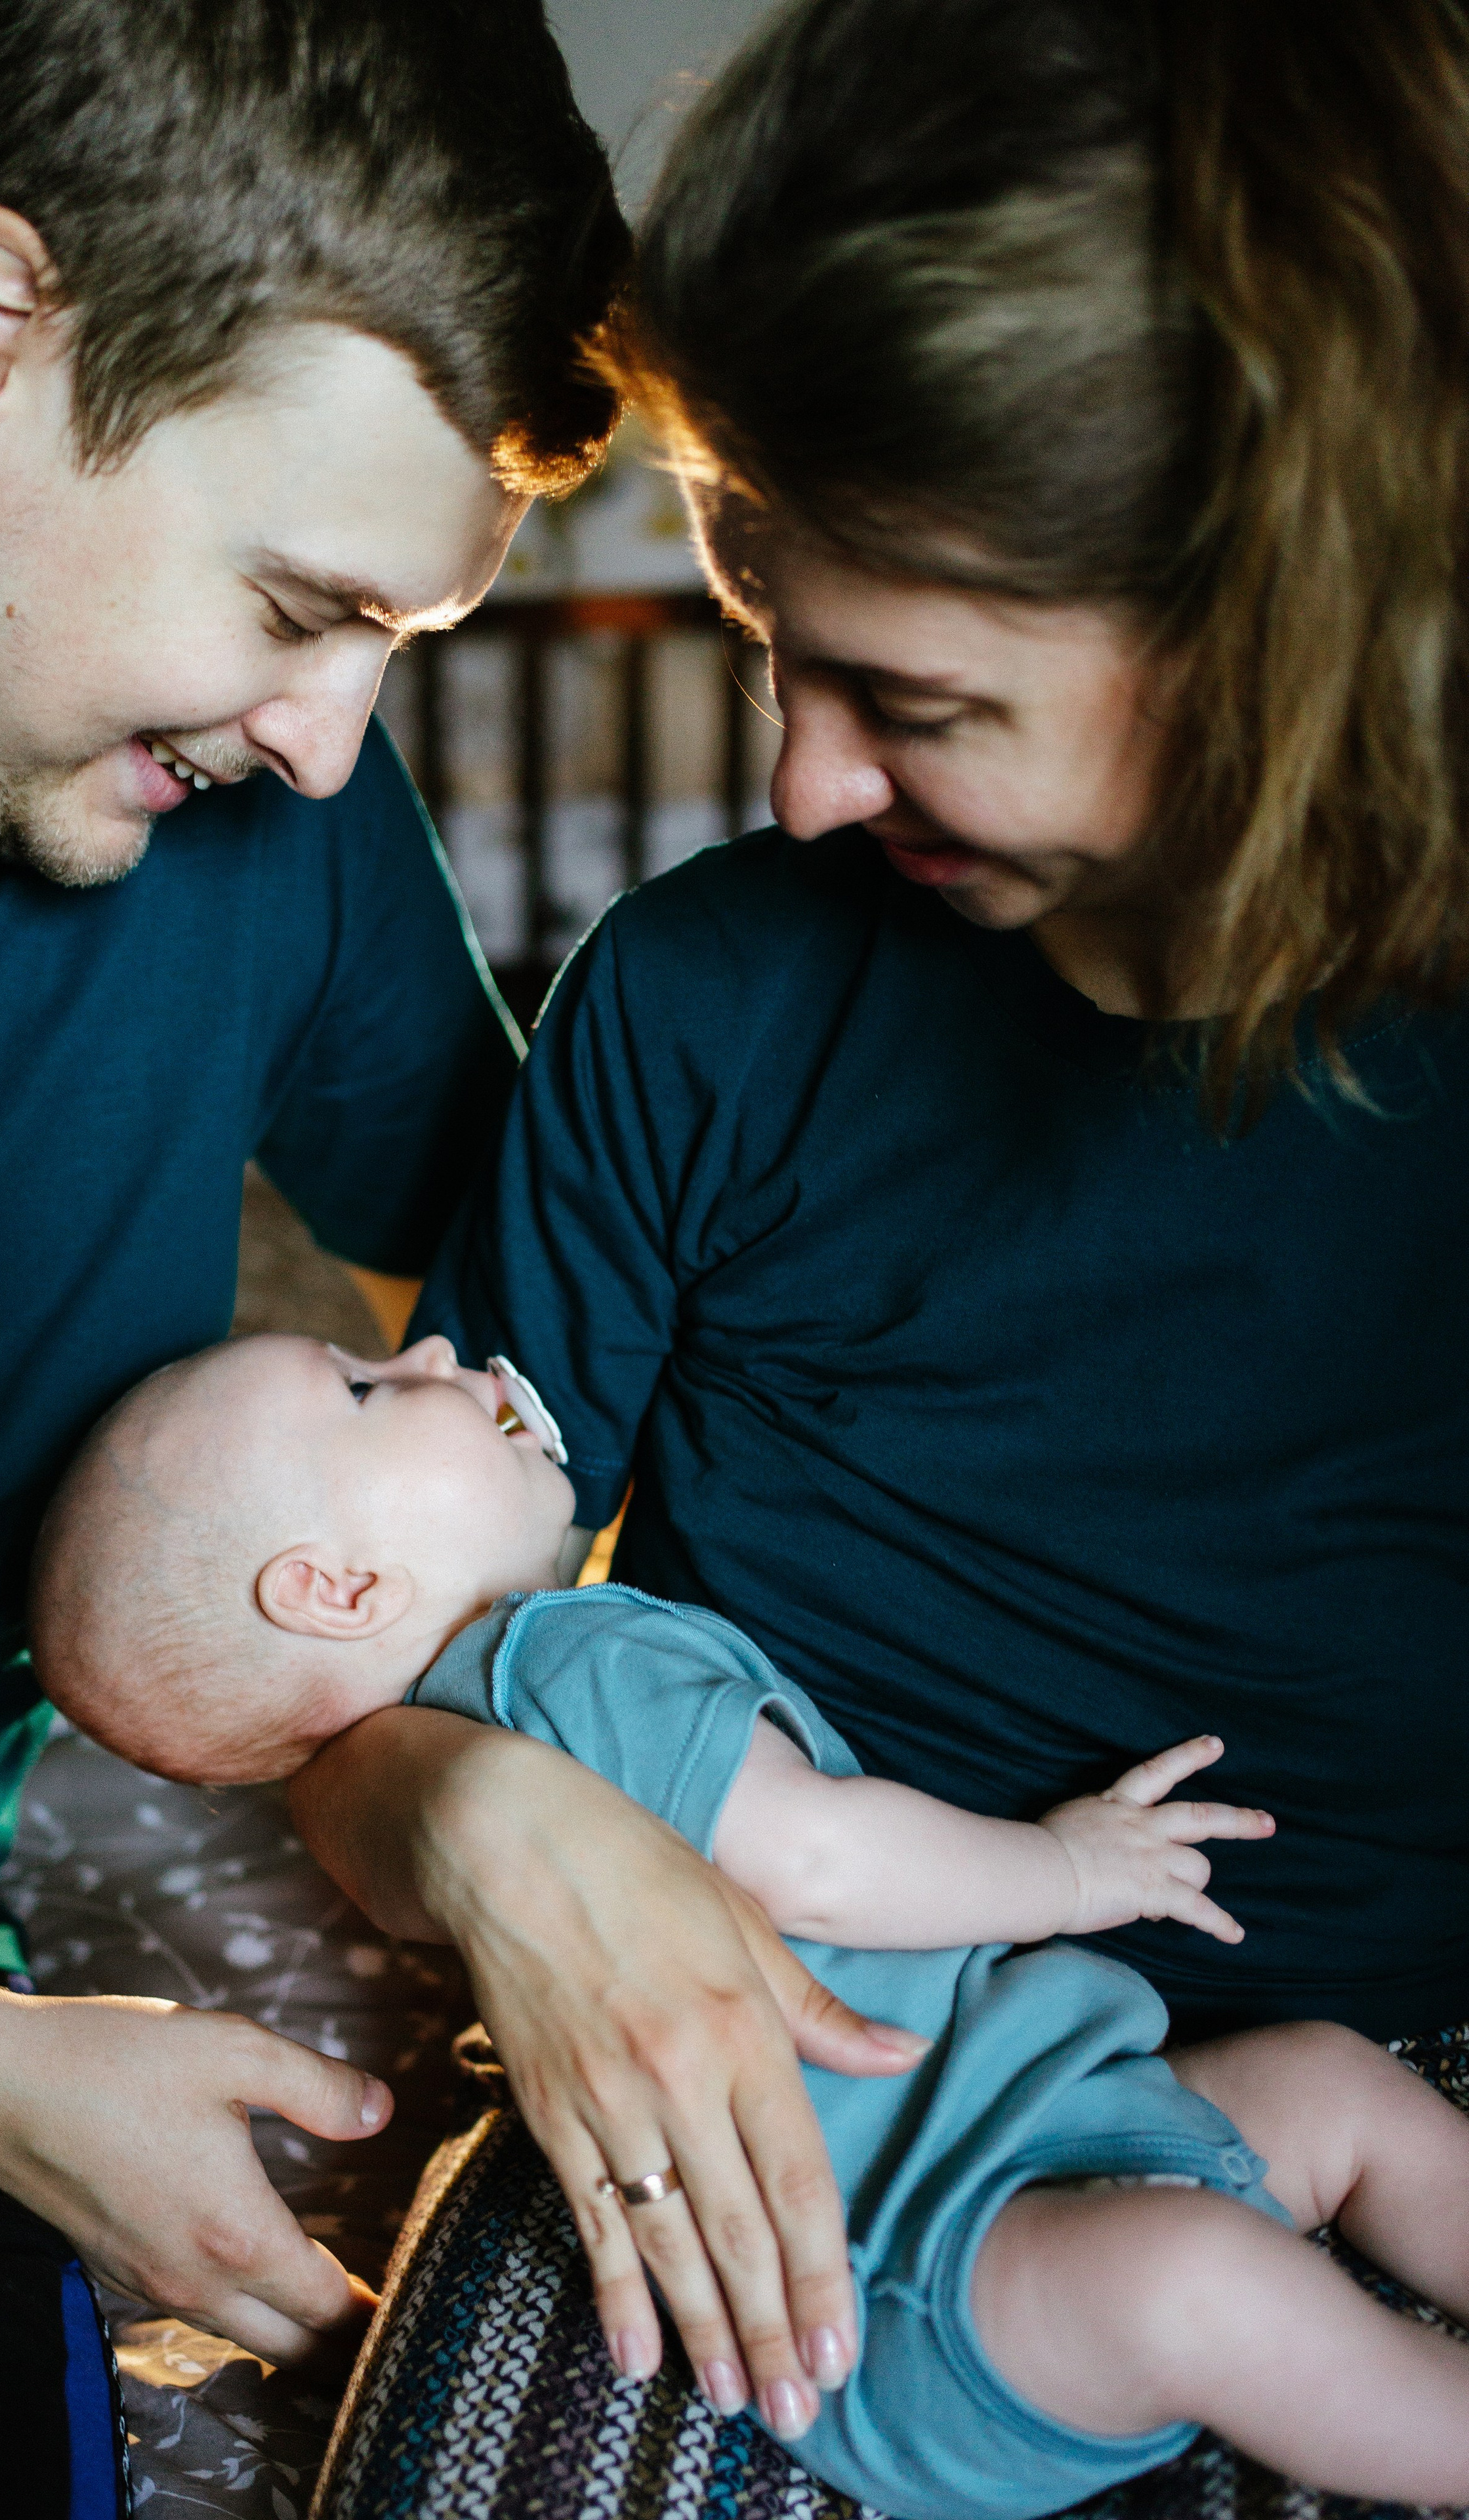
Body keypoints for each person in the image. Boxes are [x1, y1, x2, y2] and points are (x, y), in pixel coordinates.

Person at [285, 0, 1469, 2454]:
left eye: (910, 696)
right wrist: (482, 1816)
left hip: (1383, 2062)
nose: (803, 786)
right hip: (791, 2054)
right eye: (767, 642)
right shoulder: (715, 999)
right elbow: (396, 1653)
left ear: (1275, 636)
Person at [0, 0, 640, 2496]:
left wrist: (470, 1782)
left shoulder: (263, 825)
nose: (329, 744)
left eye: (397, 640)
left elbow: (525, 1344)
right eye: (297, 601)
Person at [30, 1328, 1469, 2515]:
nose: (430, 1346)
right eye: (361, 1385)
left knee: (1313, 2091)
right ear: (337, 1588)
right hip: (925, 2271)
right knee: (1201, 2271)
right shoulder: (560, 1661)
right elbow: (821, 1861)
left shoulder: (491, 1720)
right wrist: (1072, 1869)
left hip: (1039, 2128)